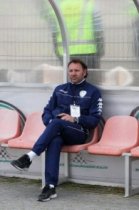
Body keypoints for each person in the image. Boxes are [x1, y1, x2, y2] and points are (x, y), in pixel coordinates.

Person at [11, 59, 103, 202]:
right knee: (54, 140)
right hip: (57, 130)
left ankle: (30, 156)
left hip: (79, 132)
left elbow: (95, 120)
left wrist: (75, 119)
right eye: (70, 70)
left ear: (84, 72)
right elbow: (47, 111)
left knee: (57, 124)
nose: (73, 73)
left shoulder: (93, 92)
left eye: (77, 70)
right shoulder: (60, 89)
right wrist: (50, 122)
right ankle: (50, 186)